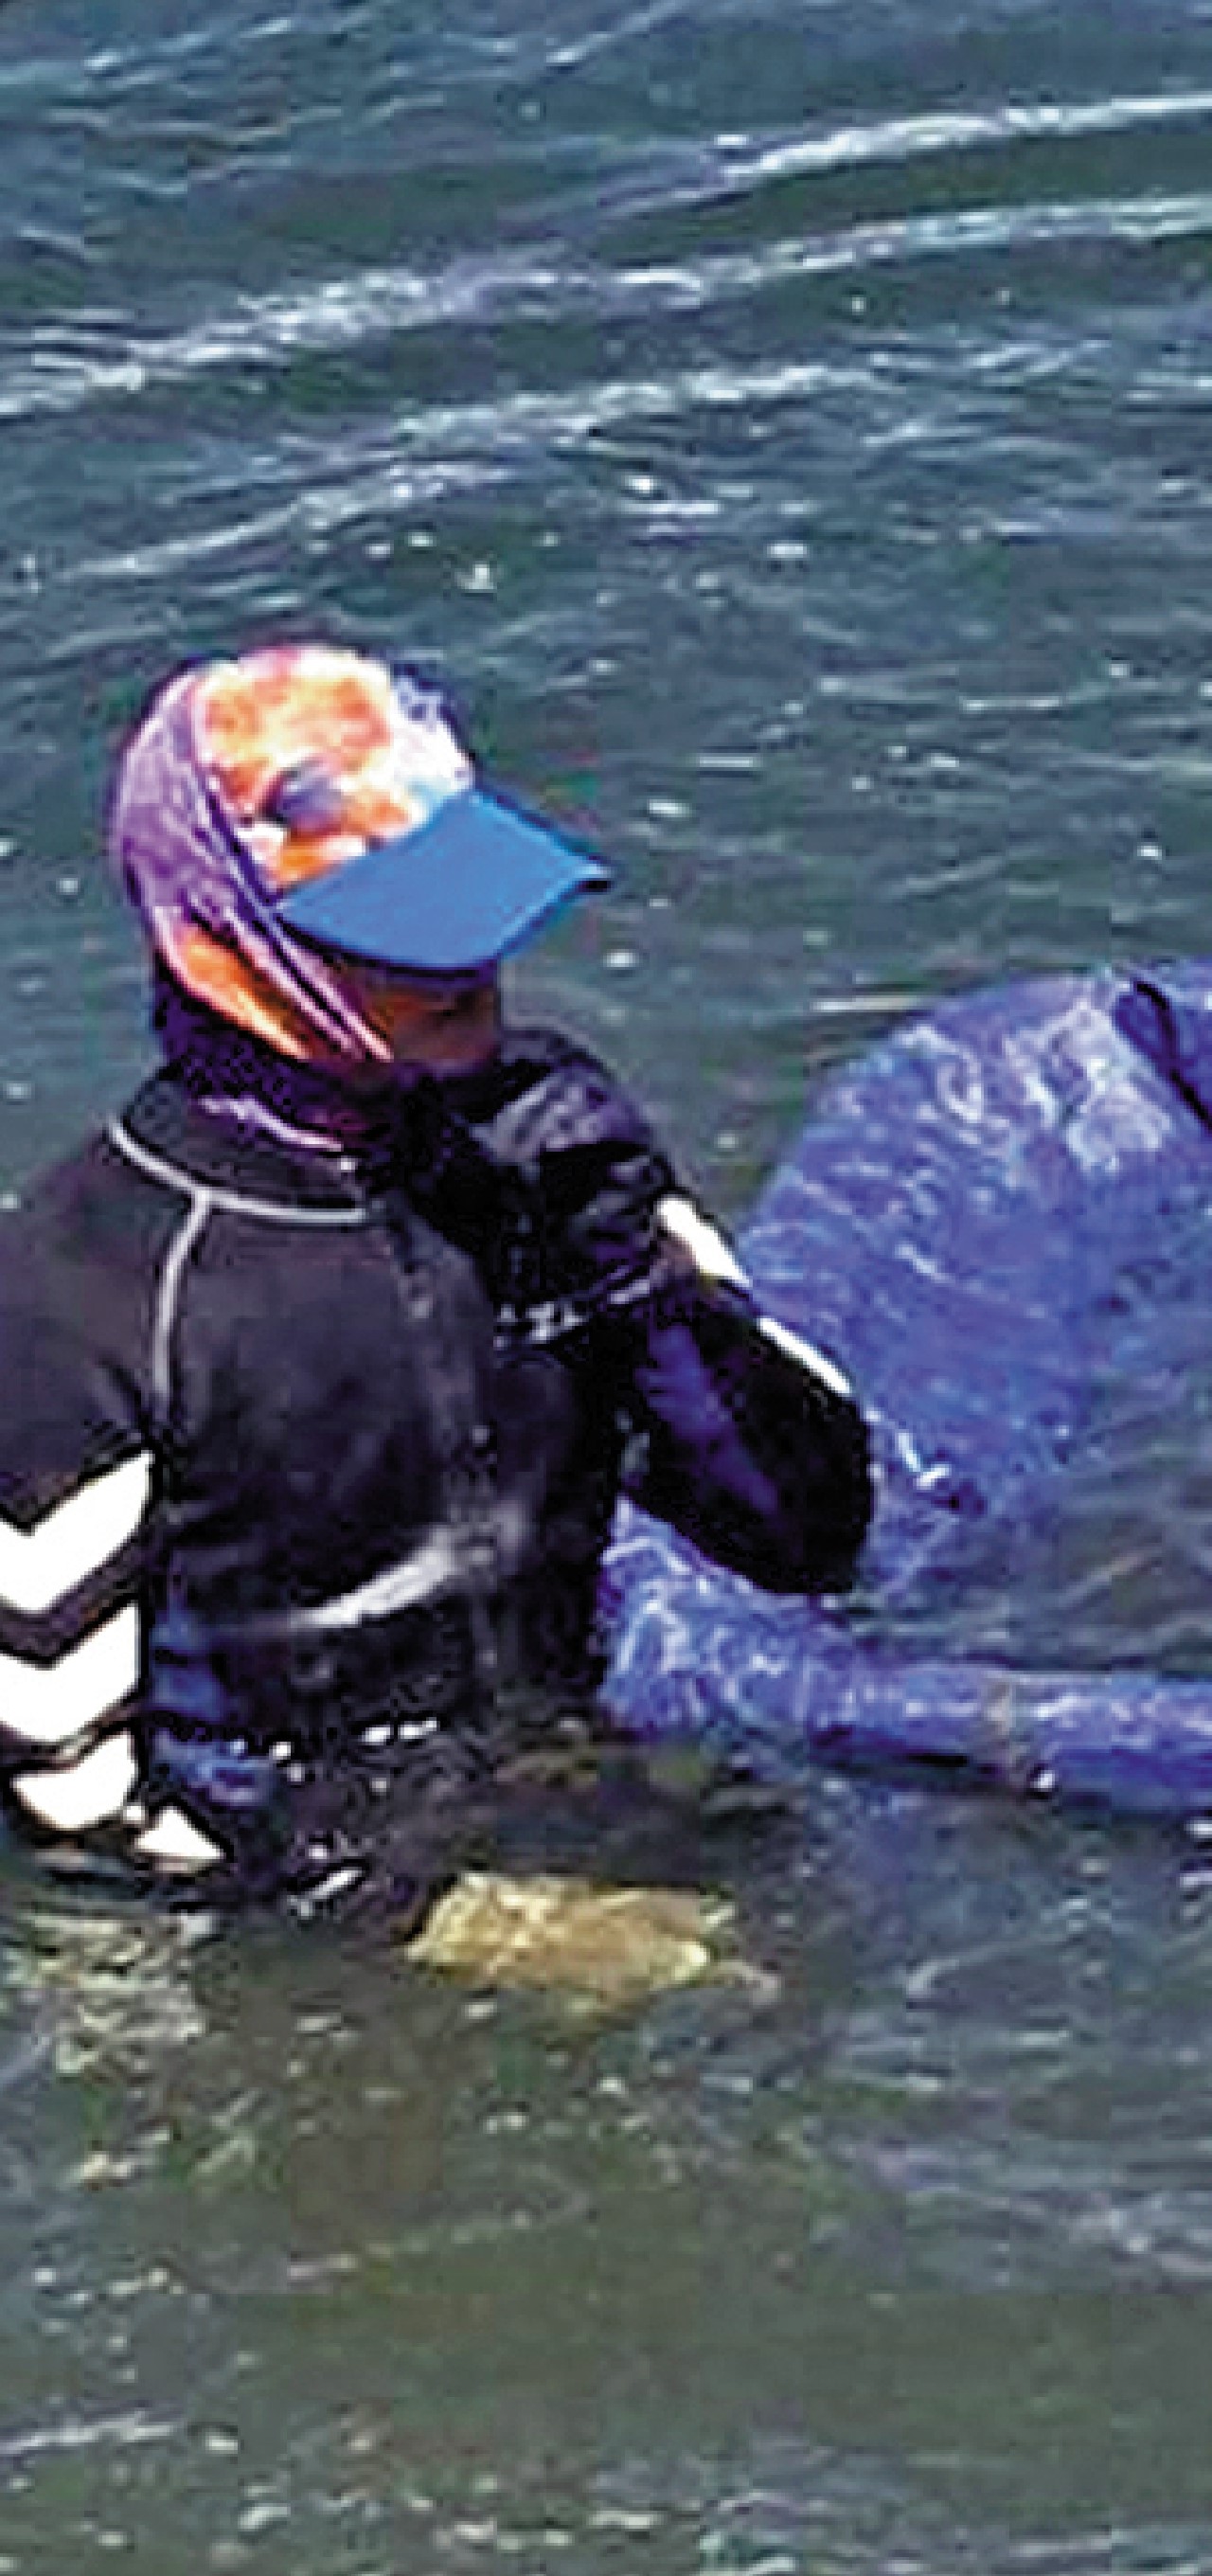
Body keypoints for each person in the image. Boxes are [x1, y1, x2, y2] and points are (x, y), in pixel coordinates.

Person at [0, 642, 873, 1890]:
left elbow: (810, 1541)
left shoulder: (548, 1142)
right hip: (279, 1894)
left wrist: (647, 1281)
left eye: (468, 905)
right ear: (233, 947)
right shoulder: (90, 1286)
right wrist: (445, 1920)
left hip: (572, 1776)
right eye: (398, 931)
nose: (470, 964)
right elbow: (64, 1794)